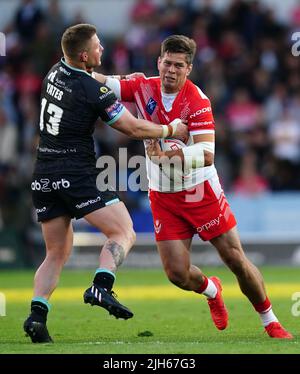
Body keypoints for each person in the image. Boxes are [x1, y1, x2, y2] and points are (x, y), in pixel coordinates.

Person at [93, 34, 293, 339]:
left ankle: (270, 320)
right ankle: (213, 290)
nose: (171, 70)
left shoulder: (197, 101)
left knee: (235, 259)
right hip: (163, 194)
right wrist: (70, 67)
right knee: (176, 274)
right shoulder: (142, 85)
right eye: (167, 63)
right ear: (158, 62)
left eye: (178, 65)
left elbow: (206, 153)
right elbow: (101, 81)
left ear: (189, 69)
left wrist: (169, 153)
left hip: (200, 190)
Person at [23, 24, 187, 343]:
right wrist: (170, 131)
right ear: (84, 55)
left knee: (56, 252)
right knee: (123, 230)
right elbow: (132, 128)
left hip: (43, 171)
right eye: (98, 46)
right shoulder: (90, 89)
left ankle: (36, 317)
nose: (102, 50)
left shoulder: (54, 72)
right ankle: (101, 286)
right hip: (75, 173)